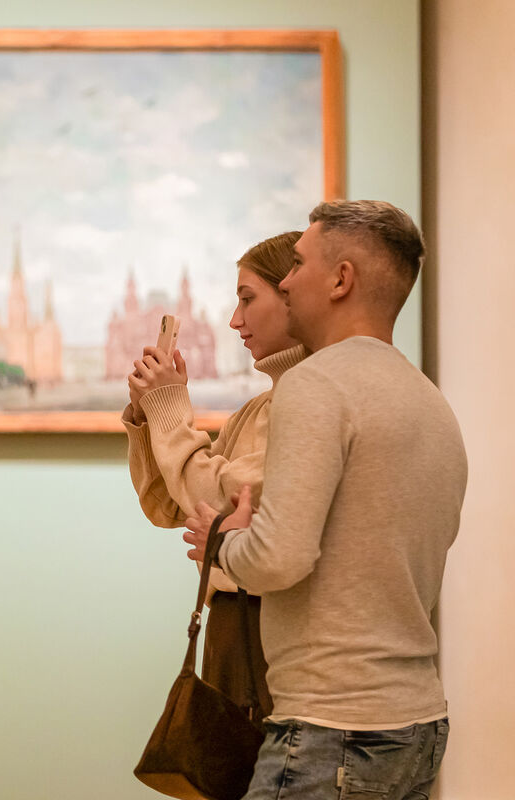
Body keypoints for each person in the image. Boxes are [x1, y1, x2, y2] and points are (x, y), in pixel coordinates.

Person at [183, 200, 467, 800]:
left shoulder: (316, 384)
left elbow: (277, 559)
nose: (286, 282)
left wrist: (223, 542)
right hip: (416, 723)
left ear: (341, 280)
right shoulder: (428, 399)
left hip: (331, 730)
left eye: (298, 264)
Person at [124, 230, 306, 720]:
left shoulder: (311, 404)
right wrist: (147, 415)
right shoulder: (258, 408)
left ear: (294, 295)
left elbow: (224, 498)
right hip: (233, 626)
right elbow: (170, 504)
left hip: (268, 631)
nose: (234, 320)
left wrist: (169, 405)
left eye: (247, 299)